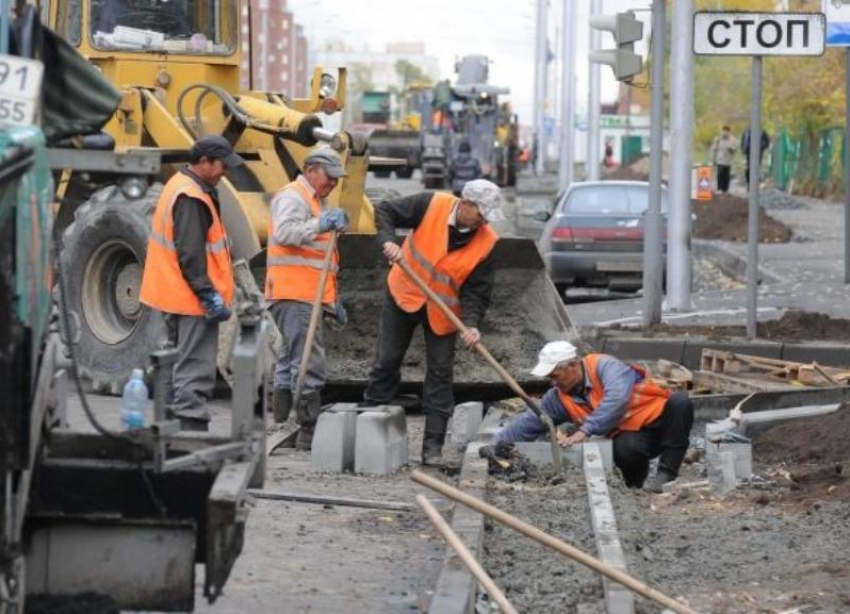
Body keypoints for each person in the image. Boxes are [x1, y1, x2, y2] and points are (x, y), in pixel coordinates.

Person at [363, 179, 505, 465]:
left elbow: (477, 290)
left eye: (488, 217)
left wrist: (472, 324)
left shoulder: (487, 241)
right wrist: (388, 241)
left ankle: (432, 448)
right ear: (465, 204)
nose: (484, 222)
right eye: (481, 215)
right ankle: (368, 431)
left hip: (442, 312)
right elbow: (386, 210)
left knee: (440, 373)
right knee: (387, 360)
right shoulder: (431, 204)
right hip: (404, 293)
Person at [489, 341, 694, 493]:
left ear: (573, 365)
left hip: (660, 421)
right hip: (633, 434)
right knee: (626, 449)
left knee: (680, 403)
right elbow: (531, 422)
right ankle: (636, 489)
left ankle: (666, 475)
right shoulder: (559, 398)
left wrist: (585, 430)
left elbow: (616, 398)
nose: (553, 383)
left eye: (554, 375)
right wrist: (496, 444)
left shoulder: (604, 366)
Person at [139, 134, 244, 431]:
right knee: (195, 363)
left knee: (175, 359)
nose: (225, 172)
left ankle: (173, 420)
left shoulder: (181, 185)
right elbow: (190, 253)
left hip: (173, 293)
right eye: (222, 166)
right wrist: (207, 294)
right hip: (191, 298)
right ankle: (191, 423)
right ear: (203, 162)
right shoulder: (192, 197)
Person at [266, 149, 349, 450]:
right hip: (295, 293)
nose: (333, 184)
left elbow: (319, 260)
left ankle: (284, 422)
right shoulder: (294, 196)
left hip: (301, 294)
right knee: (308, 363)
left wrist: (331, 302)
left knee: (290, 359)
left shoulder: (314, 200)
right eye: (329, 177)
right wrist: (322, 224)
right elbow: (285, 234)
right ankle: (308, 431)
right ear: (311, 170)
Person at [710, 125, 737, 194]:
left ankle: (725, 189)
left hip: (728, 161)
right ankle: (719, 189)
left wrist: (731, 148)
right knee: (720, 175)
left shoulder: (732, 139)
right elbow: (714, 149)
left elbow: (734, 149)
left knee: (726, 175)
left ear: (729, 132)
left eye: (726, 131)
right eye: (723, 131)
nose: (725, 133)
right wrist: (713, 158)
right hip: (720, 160)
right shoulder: (718, 139)